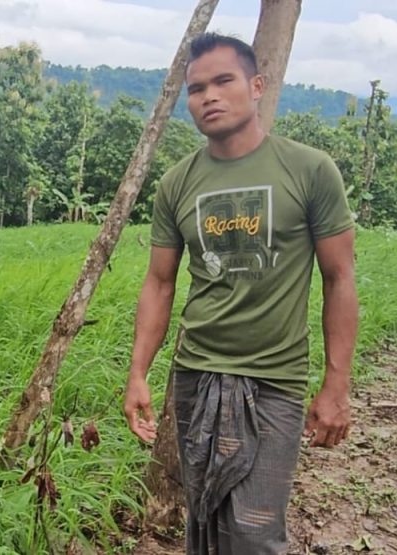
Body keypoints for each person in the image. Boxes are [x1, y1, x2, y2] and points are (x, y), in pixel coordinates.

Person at [122, 33, 358, 554]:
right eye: (196, 88)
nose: (208, 96)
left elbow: (340, 278)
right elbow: (159, 282)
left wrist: (335, 385)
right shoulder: (178, 183)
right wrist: (139, 372)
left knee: (253, 531)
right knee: (204, 517)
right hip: (195, 376)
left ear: (256, 86)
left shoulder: (310, 171)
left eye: (223, 81)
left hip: (273, 381)